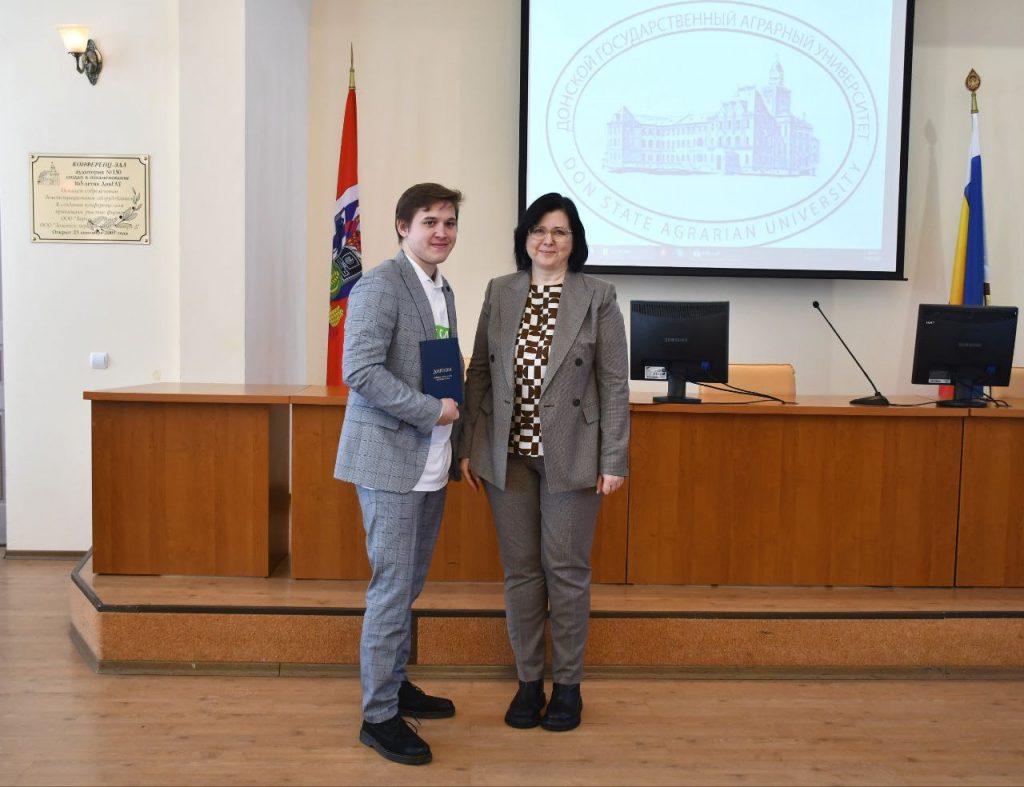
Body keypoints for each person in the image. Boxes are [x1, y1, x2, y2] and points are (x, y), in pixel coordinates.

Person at [459, 192, 629, 732]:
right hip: (507, 453)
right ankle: (529, 681)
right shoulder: (500, 291)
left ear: (574, 241)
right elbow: (479, 374)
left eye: (559, 231)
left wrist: (614, 457)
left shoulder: (598, 296)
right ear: (525, 238)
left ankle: (569, 687)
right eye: (538, 230)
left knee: (567, 572)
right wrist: (467, 446)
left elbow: (614, 384)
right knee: (521, 573)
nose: (547, 240)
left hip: (573, 453)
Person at [334, 182, 464, 766]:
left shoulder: (441, 287)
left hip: (430, 459)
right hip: (390, 458)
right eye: (429, 221)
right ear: (402, 227)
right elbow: (359, 370)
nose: (441, 232)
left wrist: (452, 432)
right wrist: (429, 411)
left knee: (408, 585)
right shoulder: (381, 284)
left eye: (449, 222)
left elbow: (440, 369)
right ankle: (379, 716)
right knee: (391, 588)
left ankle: (396, 682)